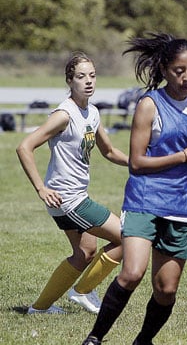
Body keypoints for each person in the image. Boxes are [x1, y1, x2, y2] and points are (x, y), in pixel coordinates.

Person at [75, 33, 187, 345]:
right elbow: (136, 163)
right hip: (146, 201)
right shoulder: (150, 105)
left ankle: (143, 342)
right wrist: (183, 156)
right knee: (132, 272)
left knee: (166, 290)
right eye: (179, 70)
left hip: (185, 206)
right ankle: (93, 339)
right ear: (164, 68)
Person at [16, 52, 128, 315]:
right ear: (70, 80)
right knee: (128, 238)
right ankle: (83, 292)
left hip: (71, 199)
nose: (88, 81)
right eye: (80, 76)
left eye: (92, 75)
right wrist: (41, 189)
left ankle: (40, 308)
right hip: (68, 200)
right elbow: (24, 147)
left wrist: (138, 163)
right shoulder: (64, 115)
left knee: (85, 253)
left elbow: (109, 151)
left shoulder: (93, 112)